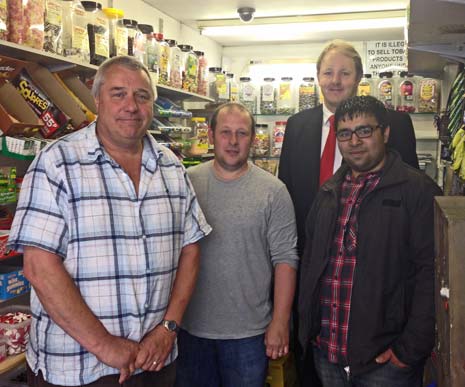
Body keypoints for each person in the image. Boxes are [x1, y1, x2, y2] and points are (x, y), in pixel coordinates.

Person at [7, 55, 211, 387]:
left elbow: (190, 250)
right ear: (97, 99)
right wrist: (106, 346)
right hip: (77, 369)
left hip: (155, 361)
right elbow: (39, 269)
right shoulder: (57, 164)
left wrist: (168, 327)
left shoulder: (172, 168)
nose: (131, 105)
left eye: (142, 96)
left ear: (152, 106)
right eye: (118, 93)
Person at [278, 39, 420, 386]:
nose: (335, 80)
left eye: (344, 72)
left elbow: (410, 199)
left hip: (376, 280)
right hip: (314, 274)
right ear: (317, 77)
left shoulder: (395, 124)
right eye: (328, 72)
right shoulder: (297, 125)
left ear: (358, 77)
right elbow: (287, 194)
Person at [298, 95, 441, 387]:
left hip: (386, 362)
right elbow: (312, 264)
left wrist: (409, 349)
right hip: (328, 353)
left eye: (365, 131)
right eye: (345, 133)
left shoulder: (418, 192)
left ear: (385, 133)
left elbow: (433, 274)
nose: (354, 141)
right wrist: (308, 330)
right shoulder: (328, 192)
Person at [175, 102, 299, 387]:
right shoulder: (186, 183)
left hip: (249, 334)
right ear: (210, 134)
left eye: (242, 134)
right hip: (190, 329)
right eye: (225, 132)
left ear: (253, 138)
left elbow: (285, 259)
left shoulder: (274, 191)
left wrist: (280, 322)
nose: (233, 142)